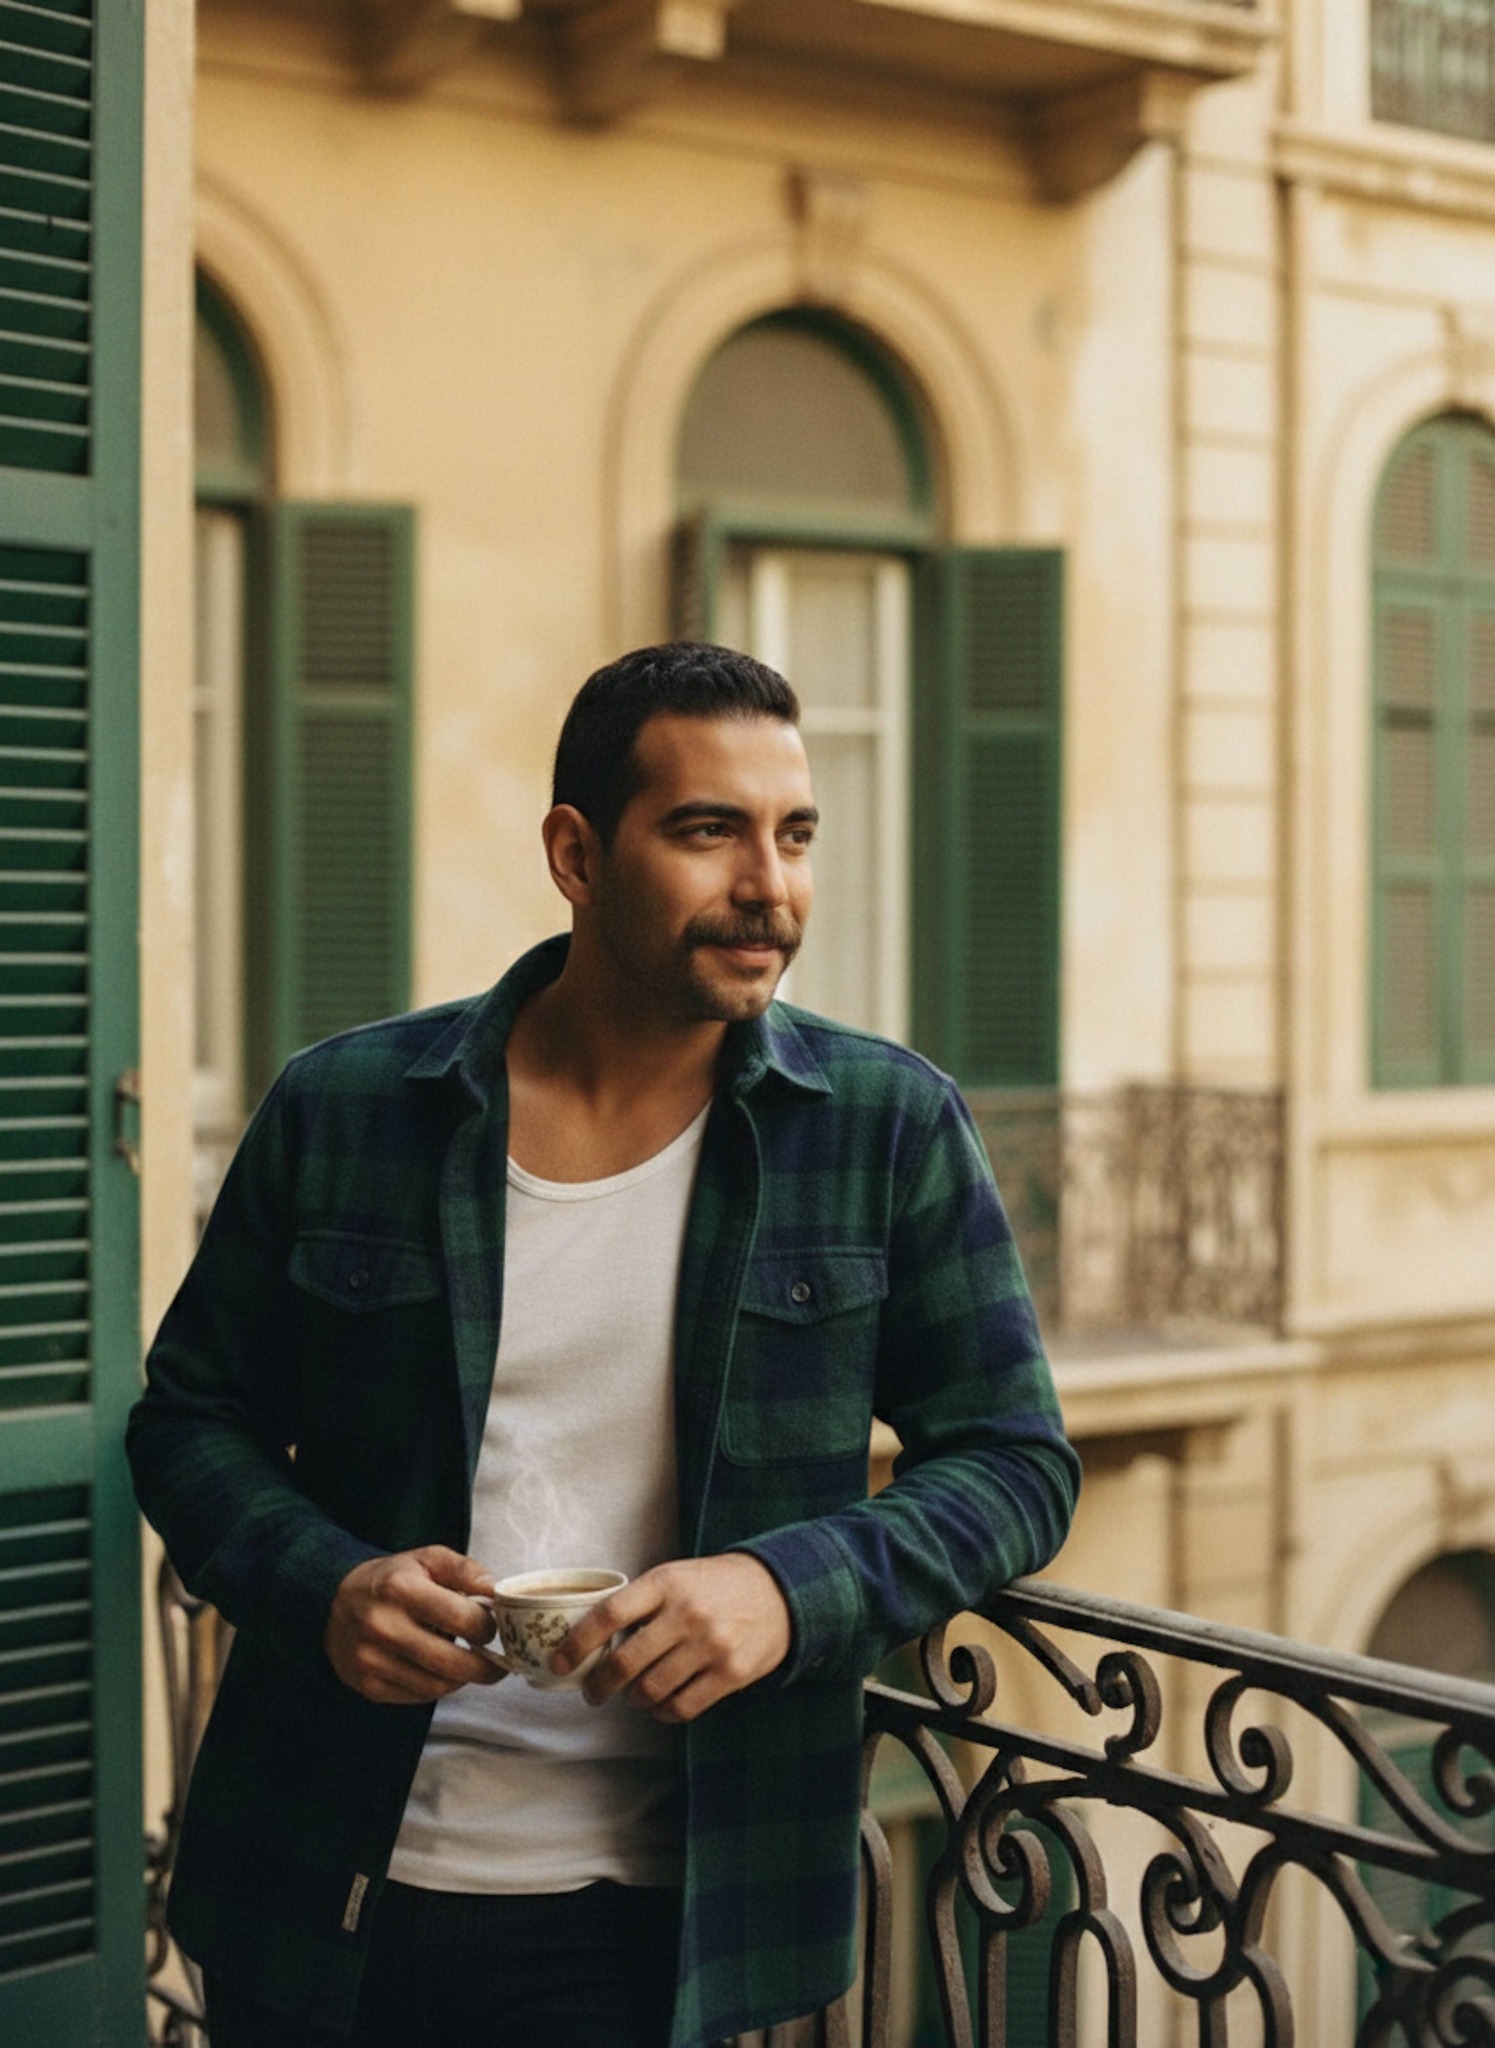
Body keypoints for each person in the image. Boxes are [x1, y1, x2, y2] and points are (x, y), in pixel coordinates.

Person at [128, 641, 1080, 2048]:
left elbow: (1015, 1461)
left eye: (796, 834)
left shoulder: (887, 1129)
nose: (770, 887)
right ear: (576, 853)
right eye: (709, 831)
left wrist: (787, 1586)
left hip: (659, 1928)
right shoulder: (344, 1111)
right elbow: (184, 1423)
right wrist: (326, 1587)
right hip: (317, 1886)